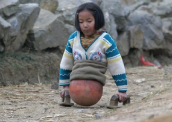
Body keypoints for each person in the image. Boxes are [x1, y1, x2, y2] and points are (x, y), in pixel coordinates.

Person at [59, 2, 128, 103]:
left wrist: (122, 91)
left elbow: (116, 65)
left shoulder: (106, 41)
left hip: (94, 87)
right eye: (81, 22)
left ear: (98, 19)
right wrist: (65, 86)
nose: (85, 25)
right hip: (74, 87)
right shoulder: (73, 39)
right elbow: (66, 63)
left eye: (89, 21)